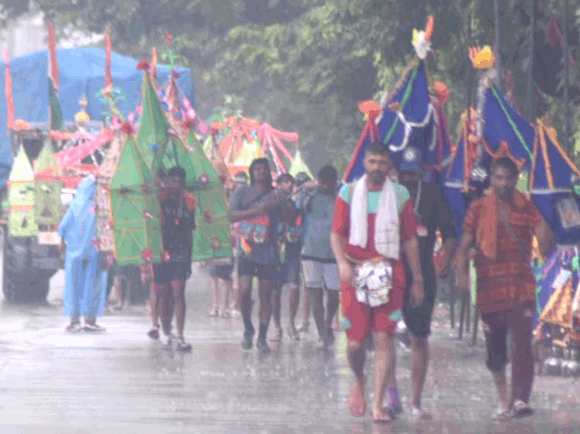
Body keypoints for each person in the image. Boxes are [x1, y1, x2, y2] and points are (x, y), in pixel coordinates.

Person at [454, 157, 555, 421]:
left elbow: (545, 240)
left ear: (515, 178)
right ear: (491, 178)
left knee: (522, 342)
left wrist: (550, 210)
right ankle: (503, 398)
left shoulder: (527, 206)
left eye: (508, 178)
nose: (503, 183)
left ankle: (520, 399)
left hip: (521, 284)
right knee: (496, 349)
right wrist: (462, 272)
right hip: (490, 286)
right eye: (498, 178)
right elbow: (464, 244)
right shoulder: (478, 208)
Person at [330, 143, 424, 423]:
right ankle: (359, 379)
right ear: (364, 163)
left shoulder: (399, 195)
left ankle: (378, 403)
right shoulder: (347, 193)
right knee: (356, 345)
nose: (376, 168)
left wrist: (418, 278)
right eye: (372, 162)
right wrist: (342, 264)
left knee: (384, 337)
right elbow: (336, 234)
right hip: (355, 272)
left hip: (390, 272)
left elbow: (409, 239)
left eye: (382, 163)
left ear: (389, 166)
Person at [384, 146, 457, 420]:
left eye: (413, 175)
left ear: (421, 173)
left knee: (419, 337)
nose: (408, 180)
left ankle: (415, 400)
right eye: (403, 174)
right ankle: (391, 394)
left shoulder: (433, 195)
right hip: (390, 273)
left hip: (423, 274)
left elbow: (449, 233)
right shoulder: (385, 196)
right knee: (385, 335)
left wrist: (446, 259)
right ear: (396, 173)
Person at [228, 158, 294, 354]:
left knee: (266, 293)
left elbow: (289, 218)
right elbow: (230, 215)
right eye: (257, 169)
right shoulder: (242, 192)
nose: (261, 172)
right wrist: (256, 211)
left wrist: (283, 203)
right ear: (251, 171)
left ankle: (263, 337)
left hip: (269, 251)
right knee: (245, 290)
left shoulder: (277, 195)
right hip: (247, 250)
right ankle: (248, 327)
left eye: (265, 169)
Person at [153, 166, 196, 352]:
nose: (177, 185)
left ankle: (181, 335)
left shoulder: (188, 201)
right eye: (174, 181)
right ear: (168, 181)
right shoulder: (158, 198)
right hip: (161, 251)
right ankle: (165, 331)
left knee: (179, 294)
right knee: (164, 294)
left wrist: (189, 258)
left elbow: (189, 232)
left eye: (180, 182)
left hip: (180, 253)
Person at [297, 165, 341, 348]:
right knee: (315, 294)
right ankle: (322, 333)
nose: (325, 185)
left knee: (333, 295)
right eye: (322, 181)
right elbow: (297, 206)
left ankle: (328, 322)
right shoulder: (309, 195)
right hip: (310, 251)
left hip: (334, 252)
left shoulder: (341, 196)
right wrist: (303, 188)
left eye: (328, 182)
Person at [58, 175, 109, 332]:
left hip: (74, 252)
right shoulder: (101, 207)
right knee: (93, 285)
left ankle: (74, 321)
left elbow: (63, 227)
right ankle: (90, 319)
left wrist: (61, 246)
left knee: (74, 285)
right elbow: (106, 230)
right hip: (94, 252)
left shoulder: (75, 205)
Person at [271, 173, 300, 341]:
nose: (289, 185)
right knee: (275, 291)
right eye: (285, 182)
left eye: (291, 182)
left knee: (294, 288)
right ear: (279, 184)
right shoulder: (275, 199)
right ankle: (277, 326)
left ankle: (291, 324)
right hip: (276, 248)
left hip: (292, 249)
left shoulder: (295, 201)